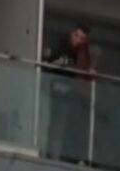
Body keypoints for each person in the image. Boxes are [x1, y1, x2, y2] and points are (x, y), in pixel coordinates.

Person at [43, 25, 92, 163]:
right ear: (71, 34)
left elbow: (81, 71)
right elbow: (47, 63)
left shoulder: (81, 53)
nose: (78, 40)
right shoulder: (60, 44)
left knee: (61, 127)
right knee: (51, 124)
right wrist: (61, 63)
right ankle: (50, 156)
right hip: (51, 90)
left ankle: (57, 157)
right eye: (76, 36)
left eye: (81, 38)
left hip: (68, 95)